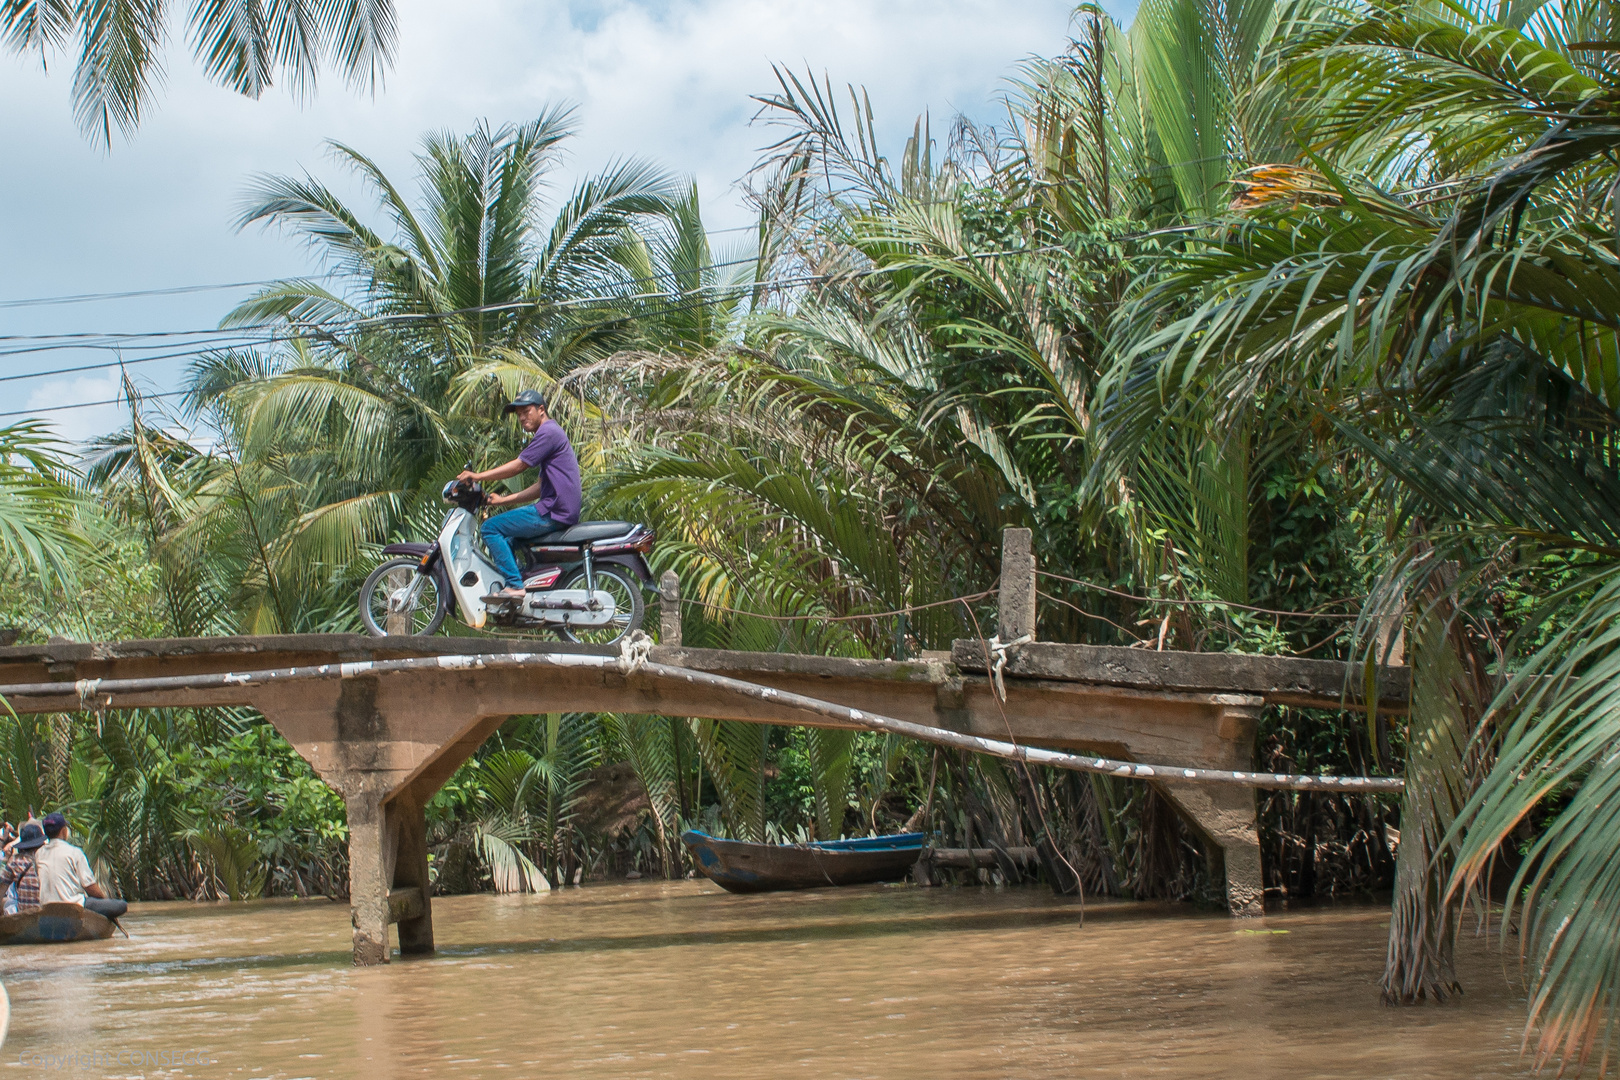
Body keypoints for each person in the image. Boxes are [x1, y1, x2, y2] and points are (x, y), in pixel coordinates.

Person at [457, 389, 582, 602]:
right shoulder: (551, 434)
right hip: (557, 509)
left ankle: (515, 587)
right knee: (507, 540)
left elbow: (518, 466)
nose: (522, 418)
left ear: (541, 409)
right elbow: (540, 487)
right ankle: (525, 582)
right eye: (519, 415)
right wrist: (503, 500)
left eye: (526, 411)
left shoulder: (548, 432)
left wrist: (477, 476)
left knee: (490, 528)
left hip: (555, 511)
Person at [36, 812, 127, 920]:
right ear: (64, 830)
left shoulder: (39, 853)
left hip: (47, 906)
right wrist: (104, 901)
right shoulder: (74, 852)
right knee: (122, 905)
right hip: (74, 905)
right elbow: (90, 887)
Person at [0, 821, 45, 915]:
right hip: (47, 915)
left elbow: (2, 888)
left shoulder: (15, 861)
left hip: (25, 916)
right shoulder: (49, 858)